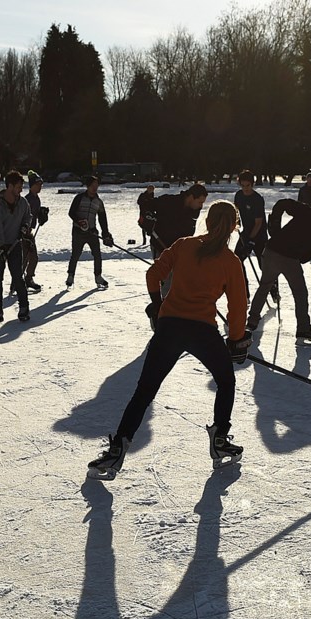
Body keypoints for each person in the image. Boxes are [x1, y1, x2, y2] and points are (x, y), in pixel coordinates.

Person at [87, 200, 251, 480]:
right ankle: (220, 439)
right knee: (226, 381)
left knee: (145, 390)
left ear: (207, 222)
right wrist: (236, 341)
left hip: (170, 327)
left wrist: (157, 306)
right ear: (234, 227)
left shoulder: (184, 245)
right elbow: (238, 307)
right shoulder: (231, 262)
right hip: (202, 331)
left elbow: (153, 276)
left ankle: (117, 449)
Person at [247, 197, 311, 346]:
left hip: (270, 250)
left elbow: (282, 203)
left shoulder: (308, 212)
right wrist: (297, 256)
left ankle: (251, 322)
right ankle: (303, 329)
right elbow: (307, 255)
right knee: (300, 293)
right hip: (289, 258)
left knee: (265, 286)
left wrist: (274, 227)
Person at [0, 169, 32, 322]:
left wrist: (25, 227)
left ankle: (24, 307)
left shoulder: (22, 202)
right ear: (10, 186)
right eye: (19, 187)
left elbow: (28, 216)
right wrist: (2, 247)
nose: (21, 190)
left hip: (15, 245)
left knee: (17, 277)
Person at [67, 175, 113, 289]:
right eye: (93, 186)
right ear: (88, 186)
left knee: (97, 255)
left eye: (96, 185)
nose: (95, 188)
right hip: (78, 231)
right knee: (76, 254)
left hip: (92, 232)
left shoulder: (99, 202)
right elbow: (71, 212)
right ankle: (70, 276)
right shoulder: (79, 198)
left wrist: (105, 233)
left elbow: (103, 219)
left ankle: (98, 276)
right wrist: (79, 221)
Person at [233, 169, 271, 299]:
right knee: (237, 260)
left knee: (263, 265)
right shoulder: (238, 195)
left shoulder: (257, 199)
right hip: (246, 232)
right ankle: (244, 291)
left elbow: (258, 223)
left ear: (252, 184)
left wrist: (251, 241)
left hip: (259, 235)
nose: (245, 189)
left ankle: (273, 290)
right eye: (242, 185)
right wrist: (235, 223)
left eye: (247, 186)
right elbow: (236, 212)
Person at [150, 183, 208, 259]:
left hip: (180, 251)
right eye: (200, 202)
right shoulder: (169, 202)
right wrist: (148, 194)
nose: (201, 206)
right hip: (161, 247)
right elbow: (147, 205)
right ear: (191, 197)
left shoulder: (194, 210)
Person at [21, 169, 49, 293]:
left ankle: (28, 278)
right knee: (24, 258)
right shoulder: (26, 200)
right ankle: (17, 282)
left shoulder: (37, 199)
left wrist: (42, 217)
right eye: (38, 185)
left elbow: (35, 215)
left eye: (41, 185)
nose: (40, 187)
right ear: (32, 186)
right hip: (23, 233)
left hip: (30, 232)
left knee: (34, 258)